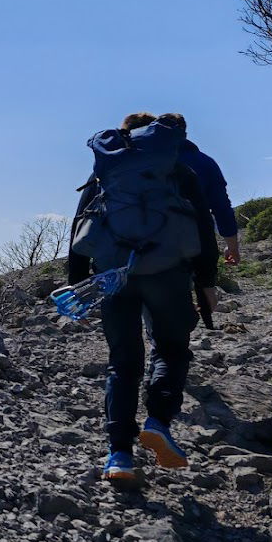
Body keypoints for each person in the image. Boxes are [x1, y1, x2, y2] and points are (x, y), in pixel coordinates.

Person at [68, 116, 219, 484]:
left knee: (122, 363)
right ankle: (158, 422)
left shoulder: (107, 173)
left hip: (113, 274)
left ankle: (119, 455)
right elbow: (202, 227)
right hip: (167, 273)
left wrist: (78, 284)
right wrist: (207, 282)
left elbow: (80, 225)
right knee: (171, 349)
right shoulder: (179, 173)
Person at [120, 112, 239, 264]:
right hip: (186, 249)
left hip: (126, 247)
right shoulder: (204, 162)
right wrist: (232, 247)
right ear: (185, 132)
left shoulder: (126, 162)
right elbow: (222, 209)